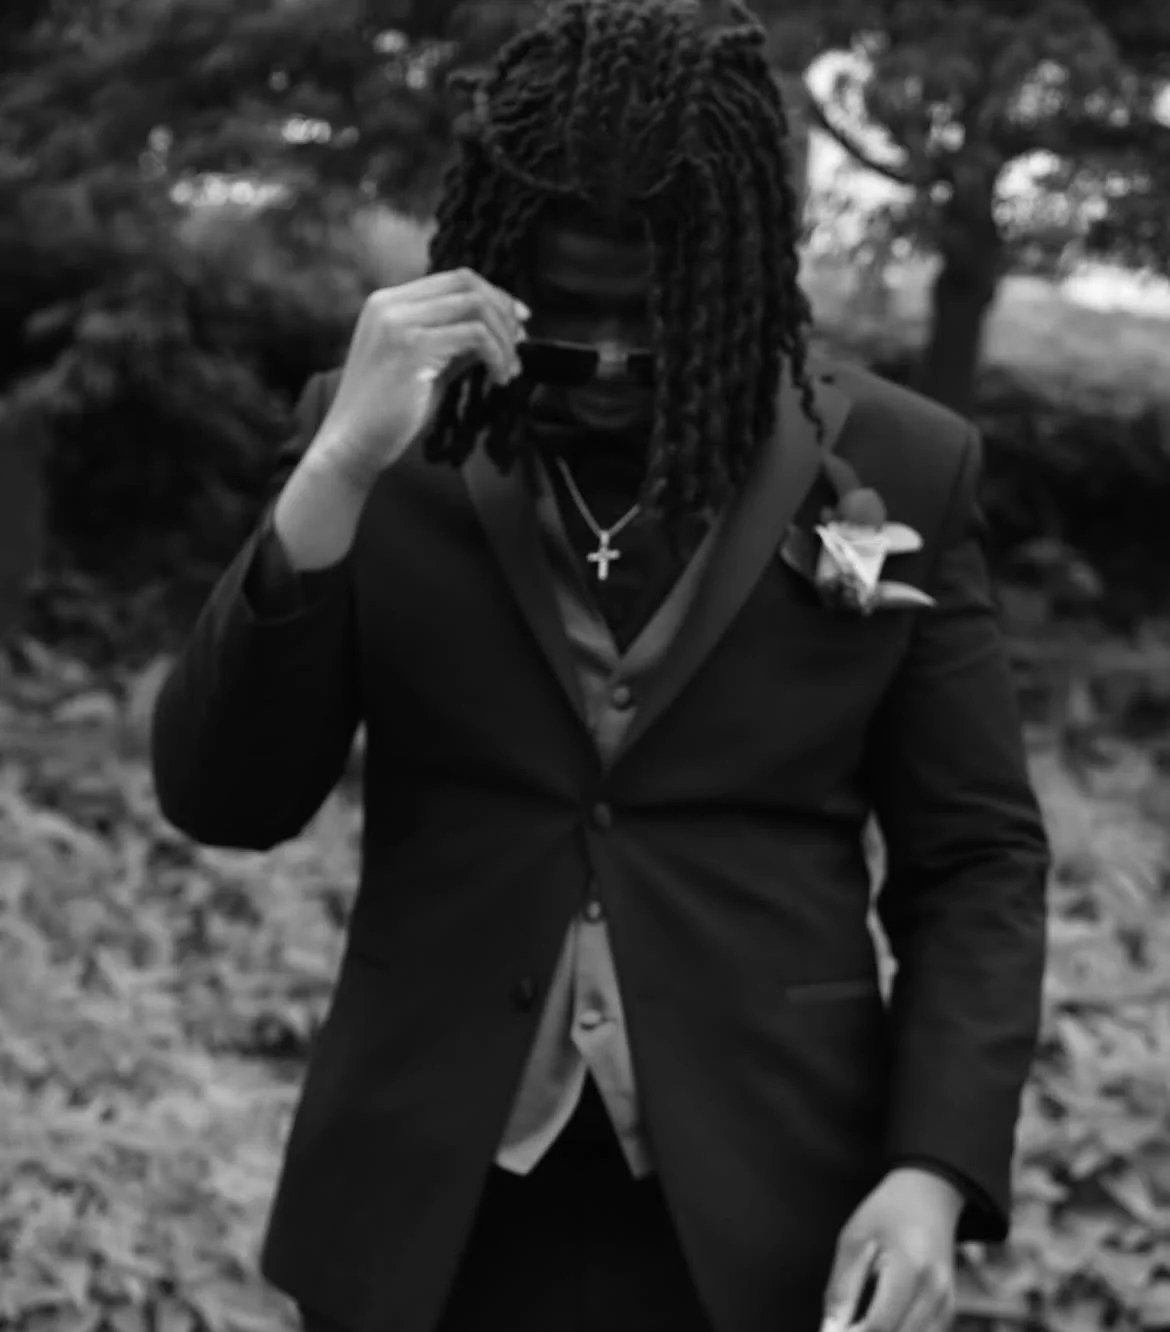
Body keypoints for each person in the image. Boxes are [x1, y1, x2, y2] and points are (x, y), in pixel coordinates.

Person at [150, 2, 1050, 1331]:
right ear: (488, 274)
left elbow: (974, 860)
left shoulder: (903, 467)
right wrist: (335, 472)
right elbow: (226, 800)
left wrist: (930, 1168)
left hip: (764, 1206)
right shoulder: (386, 441)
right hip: (425, 1210)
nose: (618, 369)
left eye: (660, 328)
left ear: (739, 283)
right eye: (569, 331)